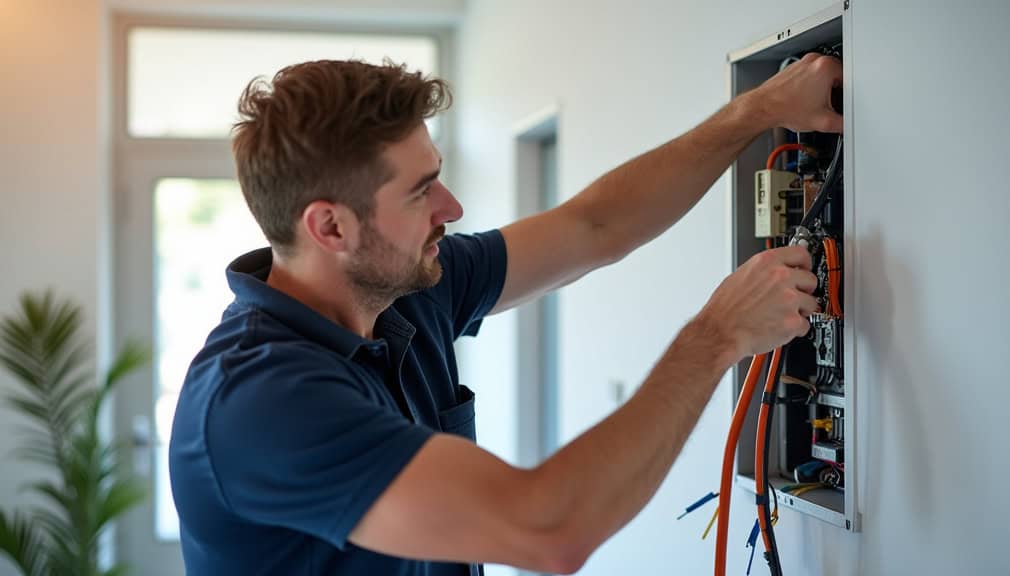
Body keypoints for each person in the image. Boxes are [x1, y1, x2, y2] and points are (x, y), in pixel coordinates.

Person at [169, 53, 842, 575]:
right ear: (331, 227)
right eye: (421, 191)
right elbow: (548, 529)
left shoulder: (405, 288)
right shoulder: (259, 399)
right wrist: (716, 336)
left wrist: (756, 111)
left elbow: (595, 225)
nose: (452, 208)